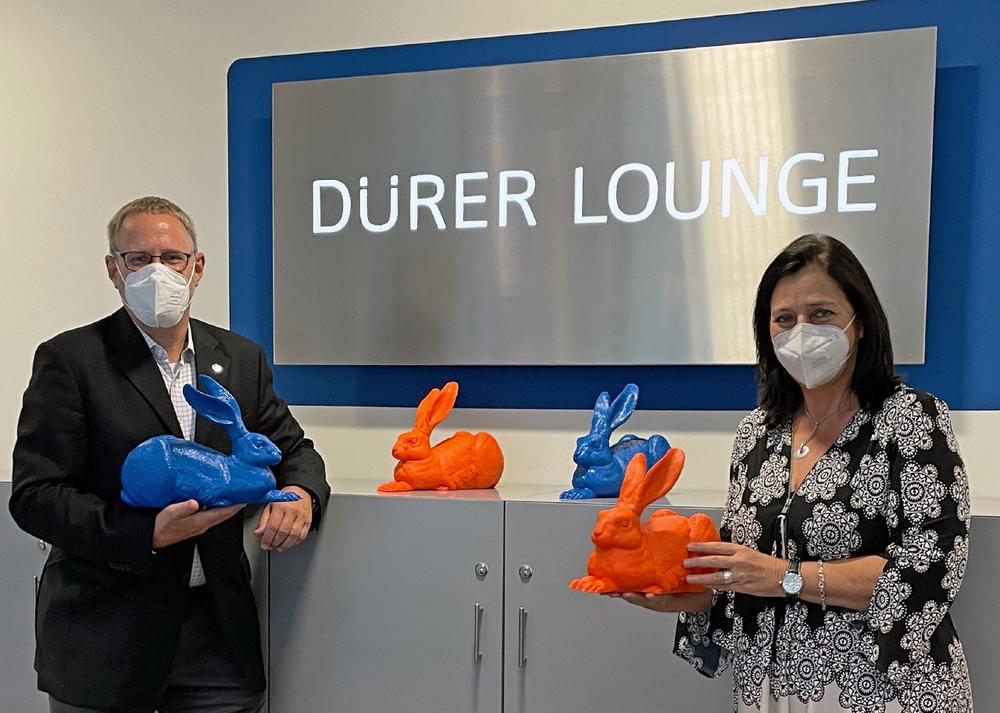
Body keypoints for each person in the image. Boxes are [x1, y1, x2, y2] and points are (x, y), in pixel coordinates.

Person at [617, 234, 972, 712]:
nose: (801, 332)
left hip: (882, 692)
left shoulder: (910, 420)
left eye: (821, 313)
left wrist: (784, 576)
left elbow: (929, 570)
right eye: (784, 319)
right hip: (769, 693)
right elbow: (745, 578)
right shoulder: (756, 433)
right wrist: (688, 596)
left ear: (860, 323)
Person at [10, 196, 331, 713]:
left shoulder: (240, 358)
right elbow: (36, 495)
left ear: (197, 267)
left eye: (172, 257)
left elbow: (293, 449)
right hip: (106, 639)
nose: (156, 271)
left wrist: (301, 493)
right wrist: (146, 534)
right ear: (113, 270)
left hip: (217, 639)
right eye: (138, 259)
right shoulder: (71, 360)